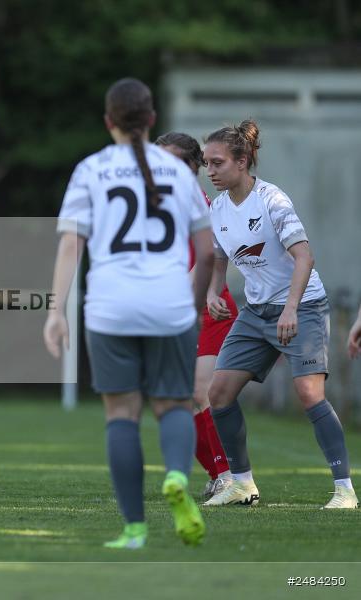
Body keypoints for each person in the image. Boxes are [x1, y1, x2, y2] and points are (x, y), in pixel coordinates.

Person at [44, 78, 214, 549]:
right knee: (174, 404)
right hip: (169, 303)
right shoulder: (179, 172)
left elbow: (69, 248)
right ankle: (178, 476)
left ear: (108, 121)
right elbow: (207, 249)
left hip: (109, 306)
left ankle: (135, 530)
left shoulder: (91, 170)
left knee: (122, 413)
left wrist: (56, 312)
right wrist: (194, 305)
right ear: (152, 120)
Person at [201, 120, 357, 509]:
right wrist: (211, 292)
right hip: (256, 311)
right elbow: (219, 259)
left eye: (217, 162)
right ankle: (242, 484)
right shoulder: (218, 208)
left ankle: (345, 491)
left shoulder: (273, 200)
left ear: (242, 161)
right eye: (206, 163)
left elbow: (305, 257)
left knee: (308, 393)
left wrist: (290, 309)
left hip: (301, 305)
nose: (210, 170)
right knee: (218, 394)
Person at [155, 132, 236, 500]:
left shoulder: (199, 205)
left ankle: (228, 476)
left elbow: (209, 260)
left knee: (199, 392)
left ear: (193, 167)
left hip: (206, 308)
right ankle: (219, 473)